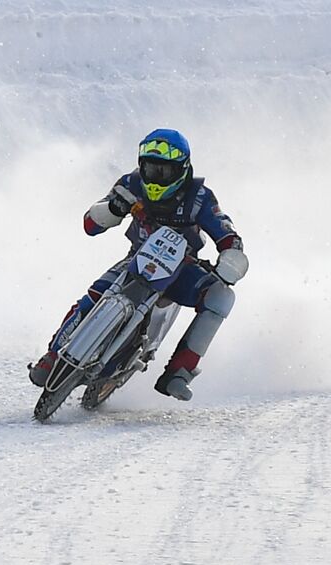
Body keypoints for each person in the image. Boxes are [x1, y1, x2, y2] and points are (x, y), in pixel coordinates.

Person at [29, 129, 248, 400]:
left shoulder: (200, 196)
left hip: (183, 269)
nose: (156, 176)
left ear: (182, 169)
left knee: (221, 297)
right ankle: (52, 356)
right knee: (95, 294)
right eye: (150, 168)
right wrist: (112, 209)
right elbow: (90, 225)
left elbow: (226, 232)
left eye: (164, 171)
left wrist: (230, 257)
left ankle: (179, 372)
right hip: (137, 259)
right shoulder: (130, 184)